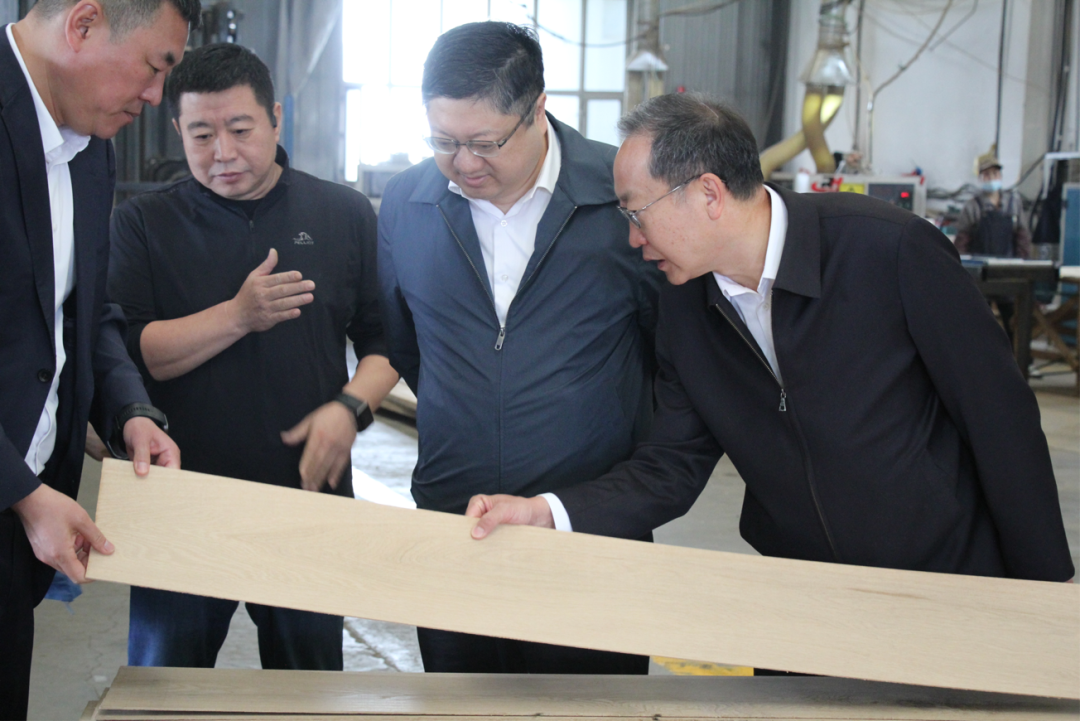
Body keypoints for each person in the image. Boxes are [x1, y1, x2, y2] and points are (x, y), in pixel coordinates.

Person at [466, 94, 1074, 593]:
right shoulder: (685, 306)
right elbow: (670, 465)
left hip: (944, 582)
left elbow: (999, 420)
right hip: (799, 600)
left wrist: (1044, 588)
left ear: (708, 194)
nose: (632, 239)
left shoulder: (889, 252)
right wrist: (547, 511)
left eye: (635, 213)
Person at [378, 21, 660, 675]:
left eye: (485, 142)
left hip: (589, 528)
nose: (464, 163)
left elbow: (670, 355)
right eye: (443, 141)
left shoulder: (620, 195)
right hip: (455, 525)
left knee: (590, 707)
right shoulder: (408, 203)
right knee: (462, 702)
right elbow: (407, 346)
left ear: (537, 110)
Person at [108, 43, 398, 671]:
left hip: (306, 495)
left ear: (276, 119)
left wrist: (349, 409)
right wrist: (239, 316)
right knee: (165, 691)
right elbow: (133, 354)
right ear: (178, 130)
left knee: (307, 690)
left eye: (240, 130)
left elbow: (386, 341)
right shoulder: (143, 223)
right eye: (201, 134)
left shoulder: (342, 213)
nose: (222, 153)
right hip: (180, 501)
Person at [0, 0, 196, 718]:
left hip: (26, 513)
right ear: (82, 24)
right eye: (153, 67)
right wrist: (24, 493)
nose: (155, 97)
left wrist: (129, 410)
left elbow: (86, 313)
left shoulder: (88, 147)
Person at [954, 150, 1033, 346]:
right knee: (980, 324)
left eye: (995, 173)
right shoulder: (972, 207)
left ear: (1000, 176)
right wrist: (963, 273)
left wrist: (1023, 266)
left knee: (1014, 322)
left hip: (1008, 272)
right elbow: (962, 241)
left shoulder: (1014, 203)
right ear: (981, 178)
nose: (992, 178)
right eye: (987, 174)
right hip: (981, 275)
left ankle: (1019, 359)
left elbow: (1023, 237)